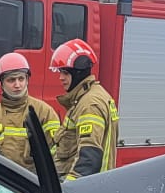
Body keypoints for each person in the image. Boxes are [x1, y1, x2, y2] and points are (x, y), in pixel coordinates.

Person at [0, 53, 61, 169]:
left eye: (21, 79)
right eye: (11, 80)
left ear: (27, 80)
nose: (17, 85)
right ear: (1, 83)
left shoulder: (44, 112)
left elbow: (58, 152)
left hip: (34, 181)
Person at [50, 39, 117, 179]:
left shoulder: (89, 104)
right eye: (60, 72)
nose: (61, 78)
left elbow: (89, 157)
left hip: (87, 189)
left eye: (65, 73)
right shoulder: (86, 98)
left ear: (79, 72)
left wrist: (69, 190)